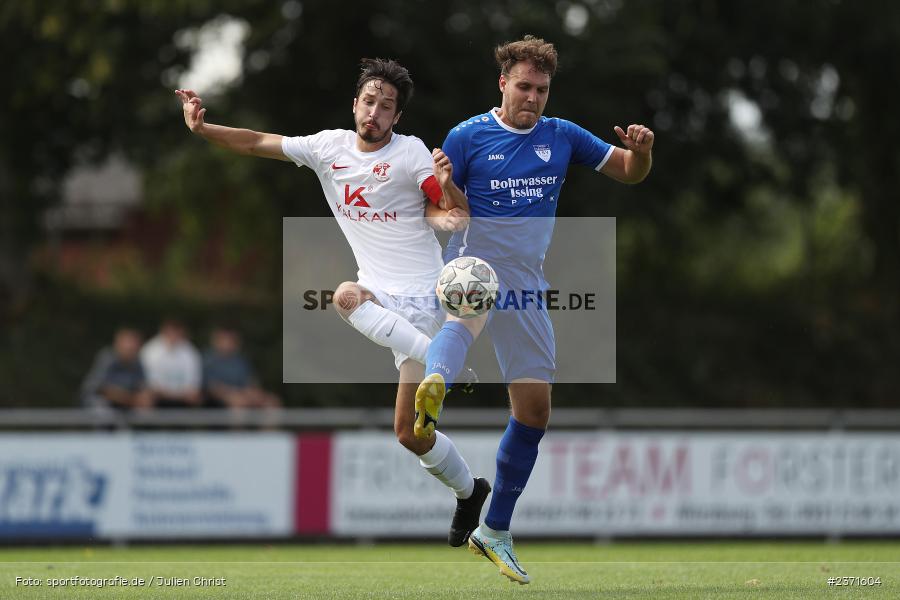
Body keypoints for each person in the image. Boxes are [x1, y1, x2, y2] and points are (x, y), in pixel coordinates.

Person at [175, 58, 490, 546]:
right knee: (351, 308)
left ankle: (442, 376)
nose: (376, 112)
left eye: (387, 107)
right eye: (370, 101)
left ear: (397, 118)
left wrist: (448, 191)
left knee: (408, 432)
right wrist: (203, 127)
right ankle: (471, 488)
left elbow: (453, 214)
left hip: (423, 298)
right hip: (381, 296)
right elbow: (258, 141)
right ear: (355, 104)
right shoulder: (328, 148)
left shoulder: (411, 156)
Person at [414, 36, 655, 583]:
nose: (533, 97)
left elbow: (628, 172)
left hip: (527, 281)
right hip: (474, 263)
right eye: (523, 86)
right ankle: (436, 381)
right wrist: (448, 194)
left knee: (534, 412)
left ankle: (493, 529)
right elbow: (442, 212)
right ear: (502, 83)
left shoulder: (562, 134)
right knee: (465, 316)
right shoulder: (467, 135)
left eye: (542, 89)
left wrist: (642, 151)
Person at [203, 325, 281, 410]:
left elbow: (251, 381)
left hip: (244, 394)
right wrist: (234, 394)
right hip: (219, 399)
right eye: (225, 339)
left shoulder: (241, 361)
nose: (228, 343)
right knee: (239, 403)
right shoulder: (208, 360)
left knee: (272, 402)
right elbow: (212, 387)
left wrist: (254, 393)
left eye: (232, 340)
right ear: (216, 340)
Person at [80, 327, 153, 411]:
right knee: (102, 409)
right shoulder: (107, 358)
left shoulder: (137, 362)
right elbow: (103, 389)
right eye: (129, 346)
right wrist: (131, 399)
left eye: (135, 346)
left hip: (125, 404)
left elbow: (143, 386)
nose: (132, 349)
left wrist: (145, 397)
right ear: (118, 344)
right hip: (97, 402)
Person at [140, 318, 203, 407]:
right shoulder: (150, 350)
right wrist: (169, 394)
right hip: (158, 396)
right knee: (146, 397)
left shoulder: (190, 351)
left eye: (176, 332)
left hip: (183, 397)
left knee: (197, 398)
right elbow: (150, 382)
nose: (173, 335)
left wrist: (178, 394)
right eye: (170, 332)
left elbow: (193, 384)